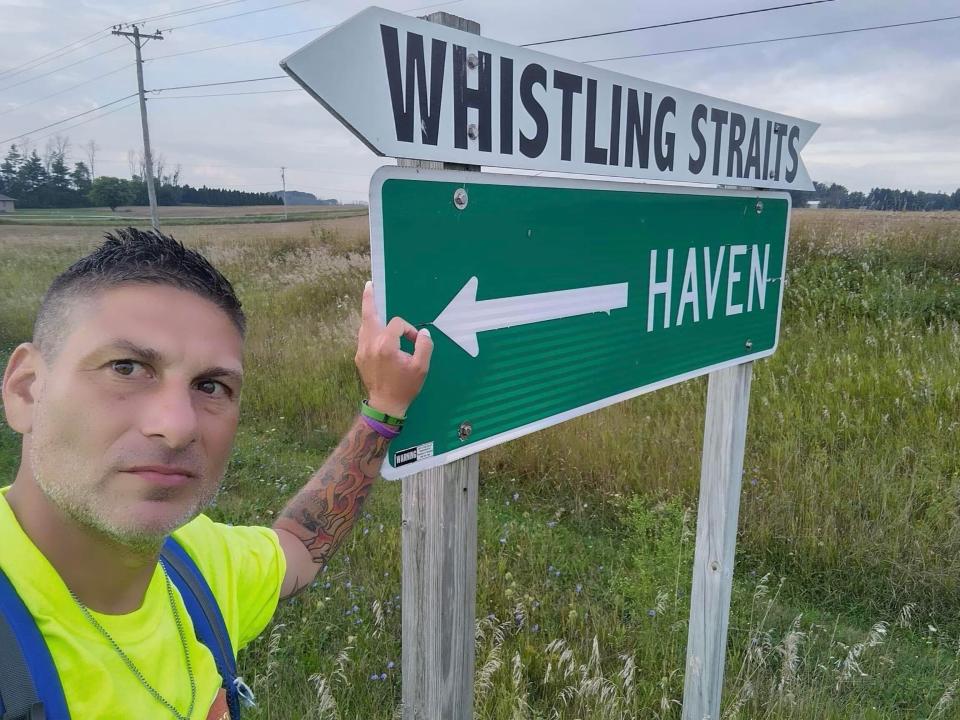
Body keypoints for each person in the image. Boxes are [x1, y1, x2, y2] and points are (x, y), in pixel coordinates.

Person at [0, 227, 433, 718]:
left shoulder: (193, 565)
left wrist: (385, 406)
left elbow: (300, 546)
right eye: (126, 367)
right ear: (26, 390)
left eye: (210, 385)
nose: (177, 426)